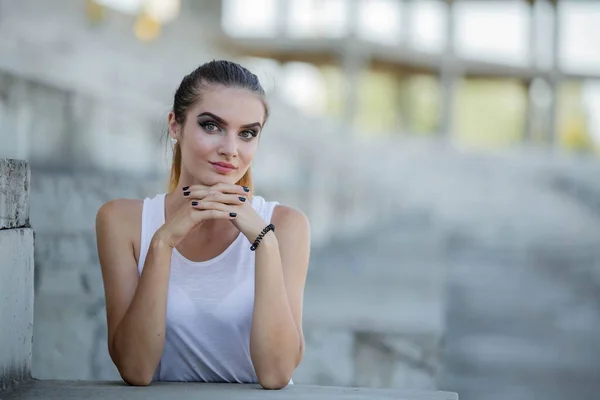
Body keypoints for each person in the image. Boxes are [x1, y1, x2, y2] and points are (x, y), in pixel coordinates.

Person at [95, 60, 310, 390]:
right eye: (212, 126)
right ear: (175, 125)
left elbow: (276, 374)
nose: (230, 150)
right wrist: (163, 242)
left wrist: (264, 242)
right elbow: (136, 369)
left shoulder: (287, 225)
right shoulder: (121, 221)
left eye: (247, 133)